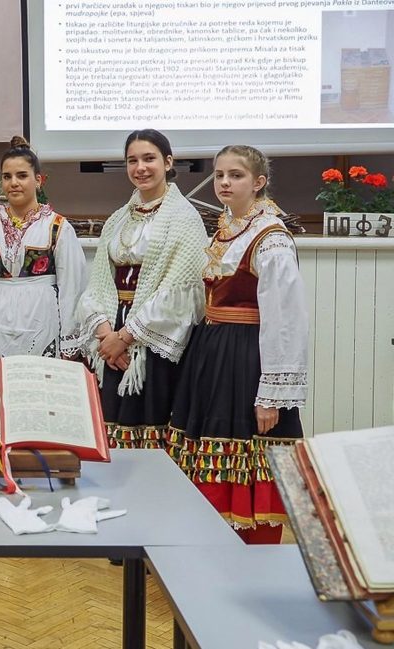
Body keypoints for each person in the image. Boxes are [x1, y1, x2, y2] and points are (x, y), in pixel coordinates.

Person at [168, 145, 308, 544]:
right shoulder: (228, 228)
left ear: (259, 182)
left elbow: (286, 322)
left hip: (246, 358)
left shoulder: (271, 238)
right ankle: (208, 547)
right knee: (208, 449)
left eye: (237, 175)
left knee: (246, 449)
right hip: (213, 353)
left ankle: (250, 554)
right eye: (220, 175)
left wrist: (272, 395)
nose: (225, 182)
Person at [75, 129, 207, 449]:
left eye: (149, 159)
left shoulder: (184, 218)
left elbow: (180, 289)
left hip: (151, 336)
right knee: (111, 420)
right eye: (132, 161)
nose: (140, 168)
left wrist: (127, 336)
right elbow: (99, 281)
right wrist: (107, 335)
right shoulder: (118, 218)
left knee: (149, 419)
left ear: (168, 162)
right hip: (114, 332)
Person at [0, 136, 87, 358]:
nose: (13, 183)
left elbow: (72, 288)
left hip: (42, 320)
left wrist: (69, 339)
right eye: (7, 176)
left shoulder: (57, 227)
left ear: (38, 180)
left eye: (22, 176)